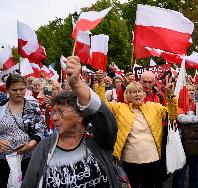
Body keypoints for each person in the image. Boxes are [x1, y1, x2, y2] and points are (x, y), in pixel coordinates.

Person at [22, 56, 119, 188]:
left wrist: (77, 84)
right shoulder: (44, 148)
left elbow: (105, 118)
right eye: (53, 112)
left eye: (60, 112)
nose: (54, 117)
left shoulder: (99, 141)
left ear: (80, 115)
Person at [95, 70, 178, 188]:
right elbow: (102, 106)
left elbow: (173, 116)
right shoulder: (120, 108)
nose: (137, 94)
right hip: (130, 160)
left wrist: (170, 96)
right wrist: (100, 84)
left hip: (153, 159)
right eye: (133, 92)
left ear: (143, 94)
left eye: (139, 91)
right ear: (127, 95)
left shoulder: (154, 107)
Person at [0, 74, 44, 188]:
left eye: (21, 89)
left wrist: (30, 145)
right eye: (14, 90)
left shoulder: (33, 106)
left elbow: (39, 130)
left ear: (26, 88)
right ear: (7, 89)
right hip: (5, 159)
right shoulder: (1, 108)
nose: (18, 92)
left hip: (28, 157)